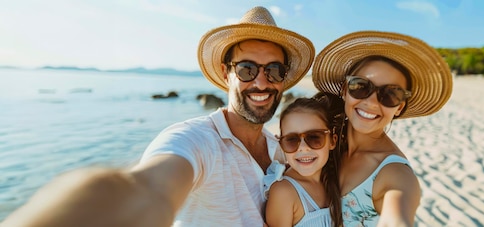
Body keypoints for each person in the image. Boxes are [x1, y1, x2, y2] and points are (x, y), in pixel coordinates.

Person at [2, 6, 314, 227]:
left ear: (283, 79)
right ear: (225, 73)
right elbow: (148, 188)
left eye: (274, 70)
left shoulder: (280, 149)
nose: (261, 82)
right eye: (247, 69)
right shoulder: (195, 140)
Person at [311, 31, 454, 226]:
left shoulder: (395, 174)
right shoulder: (325, 142)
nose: (371, 102)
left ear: (399, 107)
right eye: (361, 86)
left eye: (390, 94)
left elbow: (397, 216)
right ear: (344, 90)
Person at [264, 94, 342, 227]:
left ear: (332, 141)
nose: (303, 148)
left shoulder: (338, 179)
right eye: (292, 140)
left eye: (314, 137)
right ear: (281, 144)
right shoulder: (284, 192)